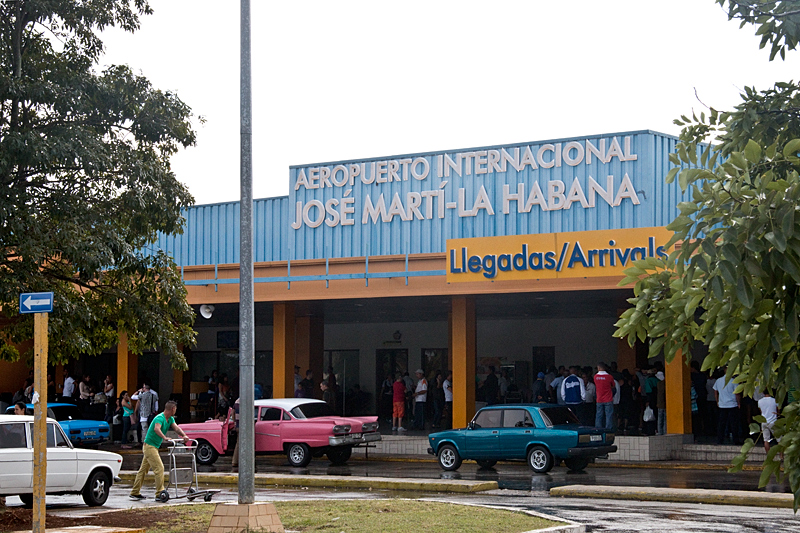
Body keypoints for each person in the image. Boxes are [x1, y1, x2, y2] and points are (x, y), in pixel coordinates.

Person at [129, 400, 190, 500]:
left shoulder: (170, 419)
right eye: (175, 409)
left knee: (143, 470)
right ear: (172, 409)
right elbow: (157, 429)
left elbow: (176, 428)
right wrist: (165, 437)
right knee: (159, 468)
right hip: (149, 446)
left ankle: (135, 491)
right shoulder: (160, 418)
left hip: (153, 446)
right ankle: (159, 492)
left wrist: (184, 435)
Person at [714, 370, 741, 445]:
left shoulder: (718, 380)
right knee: (734, 424)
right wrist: (739, 402)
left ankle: (720, 440)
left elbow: (715, 391)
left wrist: (717, 401)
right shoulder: (733, 381)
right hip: (732, 404)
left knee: (721, 424)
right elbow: (737, 393)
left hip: (722, 405)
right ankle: (736, 440)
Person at [594, 362, 616, 431]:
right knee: (609, 415)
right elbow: (613, 385)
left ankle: (598, 429)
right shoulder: (609, 377)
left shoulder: (595, 377)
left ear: (599, 368)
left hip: (599, 399)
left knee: (599, 415)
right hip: (608, 398)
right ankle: (608, 429)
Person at [656, 371, 667, 435]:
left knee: (660, 419)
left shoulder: (659, 384)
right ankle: (664, 431)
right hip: (664, 404)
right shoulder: (665, 384)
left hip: (660, 403)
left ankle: (660, 432)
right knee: (665, 419)